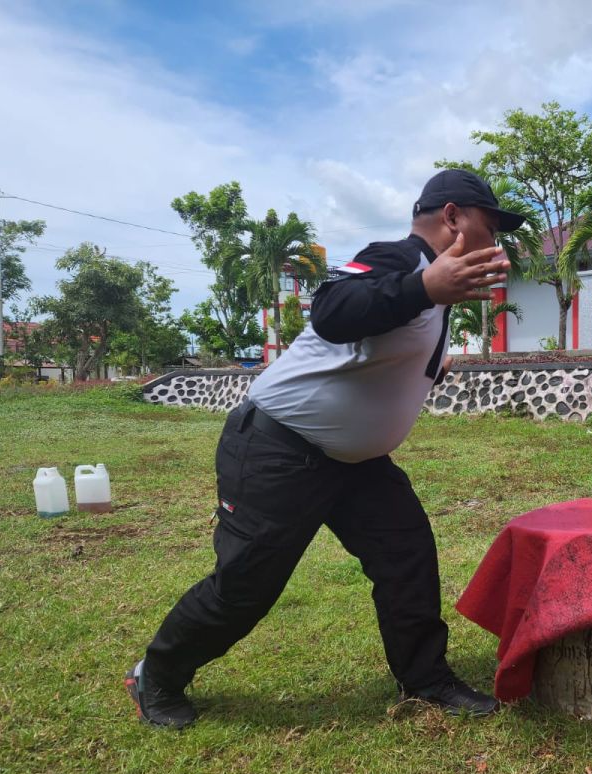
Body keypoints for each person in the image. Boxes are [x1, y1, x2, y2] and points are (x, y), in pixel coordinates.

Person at [125, 169, 527, 728]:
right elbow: (333, 310)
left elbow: (375, 350)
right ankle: (157, 675)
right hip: (278, 450)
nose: (495, 238)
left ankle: (425, 678)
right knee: (246, 586)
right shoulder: (397, 260)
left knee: (406, 557)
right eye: (491, 224)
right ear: (453, 216)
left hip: (355, 465)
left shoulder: (439, 293)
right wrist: (423, 288)